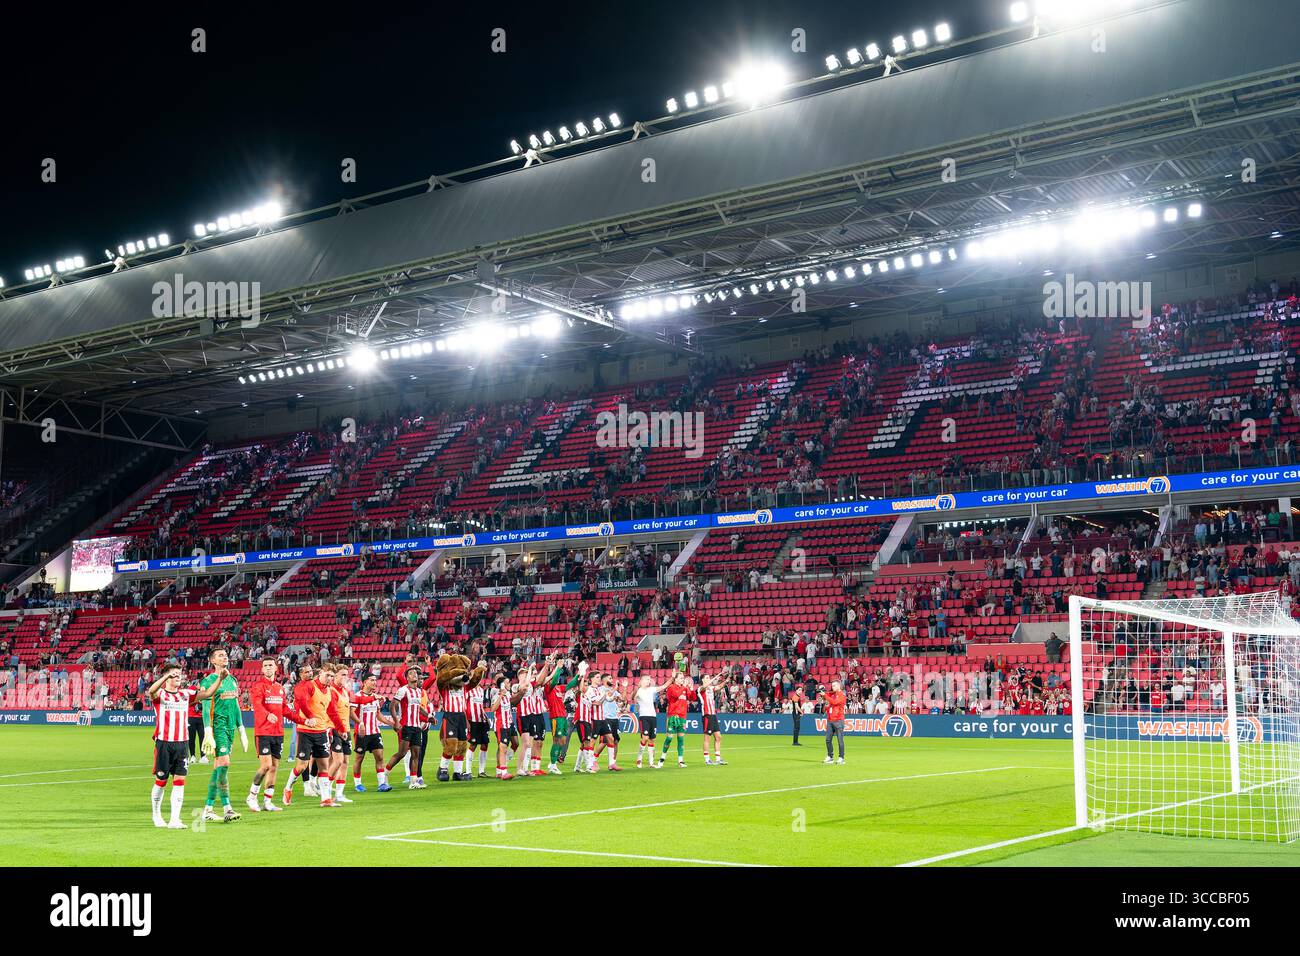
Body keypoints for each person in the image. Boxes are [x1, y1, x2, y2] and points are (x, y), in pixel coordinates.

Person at [148, 664, 221, 828]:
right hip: (164, 743)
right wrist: (166, 677)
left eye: (179, 675)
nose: (178, 677)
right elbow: (151, 691)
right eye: (174, 675)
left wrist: (220, 680)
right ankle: (156, 815)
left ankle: (174, 819)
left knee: (180, 781)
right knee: (161, 780)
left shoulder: (185, 694)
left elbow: (208, 693)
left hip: (182, 744)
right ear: (166, 677)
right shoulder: (161, 694)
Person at [198, 648, 248, 822]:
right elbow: (205, 707)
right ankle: (225, 808)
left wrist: (241, 729)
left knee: (220, 767)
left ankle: (210, 809)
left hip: (229, 729)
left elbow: (235, 706)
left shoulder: (232, 680)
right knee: (224, 763)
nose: (225, 656)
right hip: (217, 727)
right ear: (212, 661)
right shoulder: (209, 681)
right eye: (220, 655)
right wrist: (207, 731)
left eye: (226, 654)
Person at [283, 663, 338, 806]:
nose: (329, 678)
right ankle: (288, 788)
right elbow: (302, 702)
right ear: (320, 673)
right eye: (327, 675)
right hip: (305, 731)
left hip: (321, 732)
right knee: (301, 766)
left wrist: (341, 728)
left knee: (323, 766)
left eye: (332, 676)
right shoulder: (309, 685)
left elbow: (332, 711)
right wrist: (310, 717)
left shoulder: (330, 691)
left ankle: (326, 799)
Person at [246, 658, 290, 813]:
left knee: (274, 767)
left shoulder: (280, 688)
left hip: (278, 733)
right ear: (262, 669)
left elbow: (285, 709)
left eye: (271, 665)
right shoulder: (258, 686)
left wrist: (303, 720)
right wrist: (267, 715)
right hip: (263, 732)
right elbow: (257, 705)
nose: (268, 667)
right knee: (265, 765)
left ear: (276, 668)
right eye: (265, 666)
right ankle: (252, 797)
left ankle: (267, 801)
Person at [385, 666, 431, 789]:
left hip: (417, 727)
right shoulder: (403, 690)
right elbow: (392, 706)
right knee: (402, 753)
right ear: (407, 677)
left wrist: (428, 716)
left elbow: (419, 707)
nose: (414, 675)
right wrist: (396, 721)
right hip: (406, 726)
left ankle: (413, 782)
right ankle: (385, 774)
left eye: (415, 673)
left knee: (416, 754)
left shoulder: (419, 691)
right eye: (411, 673)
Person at [350, 673, 394, 792]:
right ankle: (358, 784)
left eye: (375, 680)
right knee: (359, 758)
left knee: (379, 757)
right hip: (361, 733)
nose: (375, 682)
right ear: (364, 682)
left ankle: (382, 784)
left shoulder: (376, 697)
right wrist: (360, 723)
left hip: (375, 732)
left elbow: (378, 715)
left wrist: (391, 724)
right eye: (372, 680)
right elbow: (351, 712)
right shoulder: (357, 696)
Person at [657, 672, 696, 768]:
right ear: (676, 679)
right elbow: (676, 695)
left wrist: (691, 689)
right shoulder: (671, 688)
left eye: (683, 678)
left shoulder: (684, 688)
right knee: (669, 738)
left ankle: (680, 760)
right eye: (681, 678)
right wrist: (685, 687)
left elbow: (693, 698)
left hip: (682, 716)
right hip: (673, 715)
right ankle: (662, 758)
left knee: (681, 739)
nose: (683, 679)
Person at [633, 674, 669, 769]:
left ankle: (651, 763)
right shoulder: (639, 690)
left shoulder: (651, 689)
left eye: (649, 679)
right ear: (642, 681)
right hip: (644, 717)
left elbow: (664, 686)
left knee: (652, 739)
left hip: (653, 716)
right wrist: (636, 693)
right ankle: (639, 758)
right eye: (647, 679)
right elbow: (634, 698)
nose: (649, 681)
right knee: (644, 738)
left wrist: (672, 678)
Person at [699, 674, 727, 766]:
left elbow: (719, 686)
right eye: (706, 678)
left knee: (718, 737)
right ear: (702, 680)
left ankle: (718, 759)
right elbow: (704, 687)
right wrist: (711, 680)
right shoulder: (700, 689)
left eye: (709, 677)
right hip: (707, 715)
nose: (709, 679)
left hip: (713, 715)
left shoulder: (710, 688)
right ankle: (707, 759)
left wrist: (726, 680)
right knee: (707, 738)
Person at [819, 680, 848, 764]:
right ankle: (830, 756)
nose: (833, 687)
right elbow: (827, 695)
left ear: (839, 686)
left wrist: (824, 695)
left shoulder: (842, 695)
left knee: (840, 740)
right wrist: (822, 691)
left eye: (834, 685)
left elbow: (834, 702)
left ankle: (841, 757)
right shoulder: (833, 694)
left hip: (839, 720)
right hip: (830, 720)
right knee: (828, 740)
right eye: (832, 686)